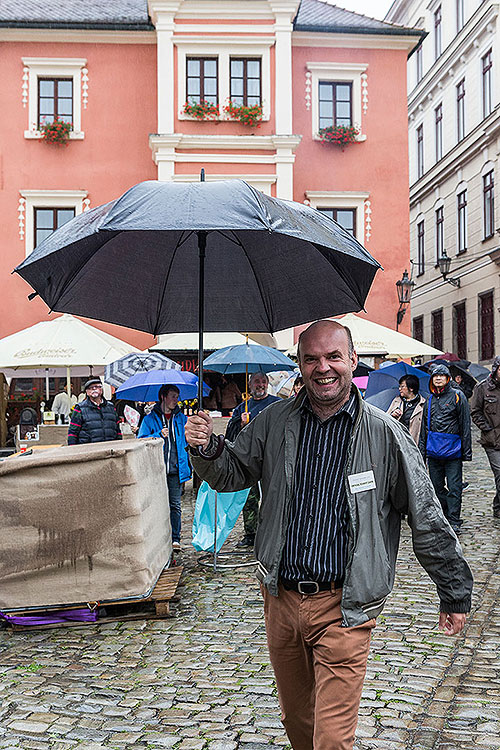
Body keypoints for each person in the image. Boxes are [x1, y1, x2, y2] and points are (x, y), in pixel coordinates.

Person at [185, 320, 472, 750]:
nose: (323, 367)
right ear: (299, 365)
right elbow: (233, 472)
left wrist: (453, 590)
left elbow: (426, 513)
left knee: (332, 740)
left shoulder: (383, 433)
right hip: (280, 600)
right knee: (298, 722)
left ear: (352, 361)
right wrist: (207, 448)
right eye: (312, 359)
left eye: (333, 356)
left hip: (344, 606)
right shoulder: (274, 422)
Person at [226, 371, 280, 547]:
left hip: (273, 458)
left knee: (273, 496)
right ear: (250, 385)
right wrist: (241, 425)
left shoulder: (277, 404)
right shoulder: (243, 408)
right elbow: (231, 435)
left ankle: (273, 532)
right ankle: (251, 533)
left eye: (263, 381)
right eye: (257, 381)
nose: (260, 384)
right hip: (249, 459)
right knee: (250, 498)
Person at [418, 364, 471, 534]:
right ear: (432, 379)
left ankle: (454, 519)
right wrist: (422, 452)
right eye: (435, 376)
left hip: (453, 451)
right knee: (436, 486)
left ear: (447, 378)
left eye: (442, 375)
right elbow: (424, 428)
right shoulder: (430, 400)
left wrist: (466, 452)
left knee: (454, 487)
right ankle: (447, 512)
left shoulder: (458, 396)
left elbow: (465, 425)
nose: (438, 378)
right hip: (434, 451)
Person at [138, 384, 191, 551]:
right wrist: (157, 435)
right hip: (156, 469)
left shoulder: (181, 418)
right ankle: (159, 537)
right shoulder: (149, 420)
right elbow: (141, 440)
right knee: (157, 505)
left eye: (177, 396)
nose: (176, 400)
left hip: (175, 468)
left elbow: (188, 438)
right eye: (173, 396)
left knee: (175, 504)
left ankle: (176, 538)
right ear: (163, 397)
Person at [471, 355, 500, 518]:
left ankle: (498, 504)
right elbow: (475, 412)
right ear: (496, 369)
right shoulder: (483, 388)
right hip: (492, 441)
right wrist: (487, 429)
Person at [68, 378, 122, 445]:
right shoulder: (80, 408)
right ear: (87, 392)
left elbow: (117, 430)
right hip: (88, 450)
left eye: (97, 387)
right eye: (90, 388)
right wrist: (72, 449)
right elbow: (73, 432)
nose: (94, 389)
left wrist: (119, 445)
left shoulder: (111, 407)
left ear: (101, 390)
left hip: (110, 449)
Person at [387, 374, 426, 443]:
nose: (399, 389)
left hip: (413, 443)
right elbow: (386, 419)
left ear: (411, 388)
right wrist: (392, 415)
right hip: (397, 442)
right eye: (399, 386)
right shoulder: (396, 401)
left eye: (402, 386)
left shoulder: (423, 404)